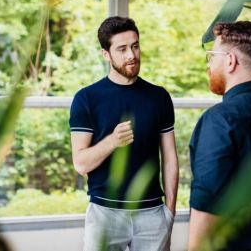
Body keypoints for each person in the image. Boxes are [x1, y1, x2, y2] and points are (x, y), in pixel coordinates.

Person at [69, 16, 179, 251]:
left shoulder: (159, 97)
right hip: (105, 215)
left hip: (152, 214)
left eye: (135, 46)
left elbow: (169, 157)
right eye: (122, 49)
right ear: (106, 54)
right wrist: (111, 141)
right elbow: (80, 163)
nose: (132, 55)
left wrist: (170, 211)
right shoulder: (86, 98)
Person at [188, 21, 251, 251]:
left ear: (231, 61)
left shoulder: (219, 119)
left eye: (212, 56)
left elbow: (205, 205)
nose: (210, 65)